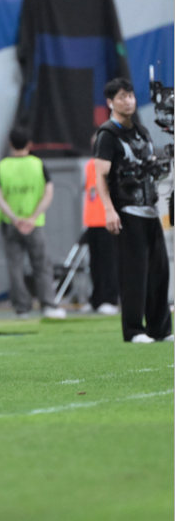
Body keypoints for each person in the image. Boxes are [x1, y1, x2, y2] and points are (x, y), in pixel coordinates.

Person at [94, 77, 173, 344]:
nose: (128, 101)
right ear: (110, 103)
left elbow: (149, 163)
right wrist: (109, 210)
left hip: (150, 210)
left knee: (160, 271)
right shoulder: (107, 135)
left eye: (130, 96)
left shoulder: (141, 131)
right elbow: (100, 176)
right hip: (127, 211)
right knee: (134, 273)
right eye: (121, 97)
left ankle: (160, 329)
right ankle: (133, 330)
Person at [0, 127, 66, 320]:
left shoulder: (2, 166)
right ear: (30, 144)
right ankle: (48, 305)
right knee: (41, 265)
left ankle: (22, 308)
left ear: (10, 144)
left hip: (11, 223)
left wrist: (15, 218)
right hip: (35, 224)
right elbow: (48, 192)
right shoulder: (38, 164)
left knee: (14, 266)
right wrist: (33, 217)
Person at [81, 156, 119, 315]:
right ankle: (96, 299)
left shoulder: (114, 164)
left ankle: (110, 299)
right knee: (94, 264)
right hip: (92, 220)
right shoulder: (90, 165)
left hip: (107, 220)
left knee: (109, 263)